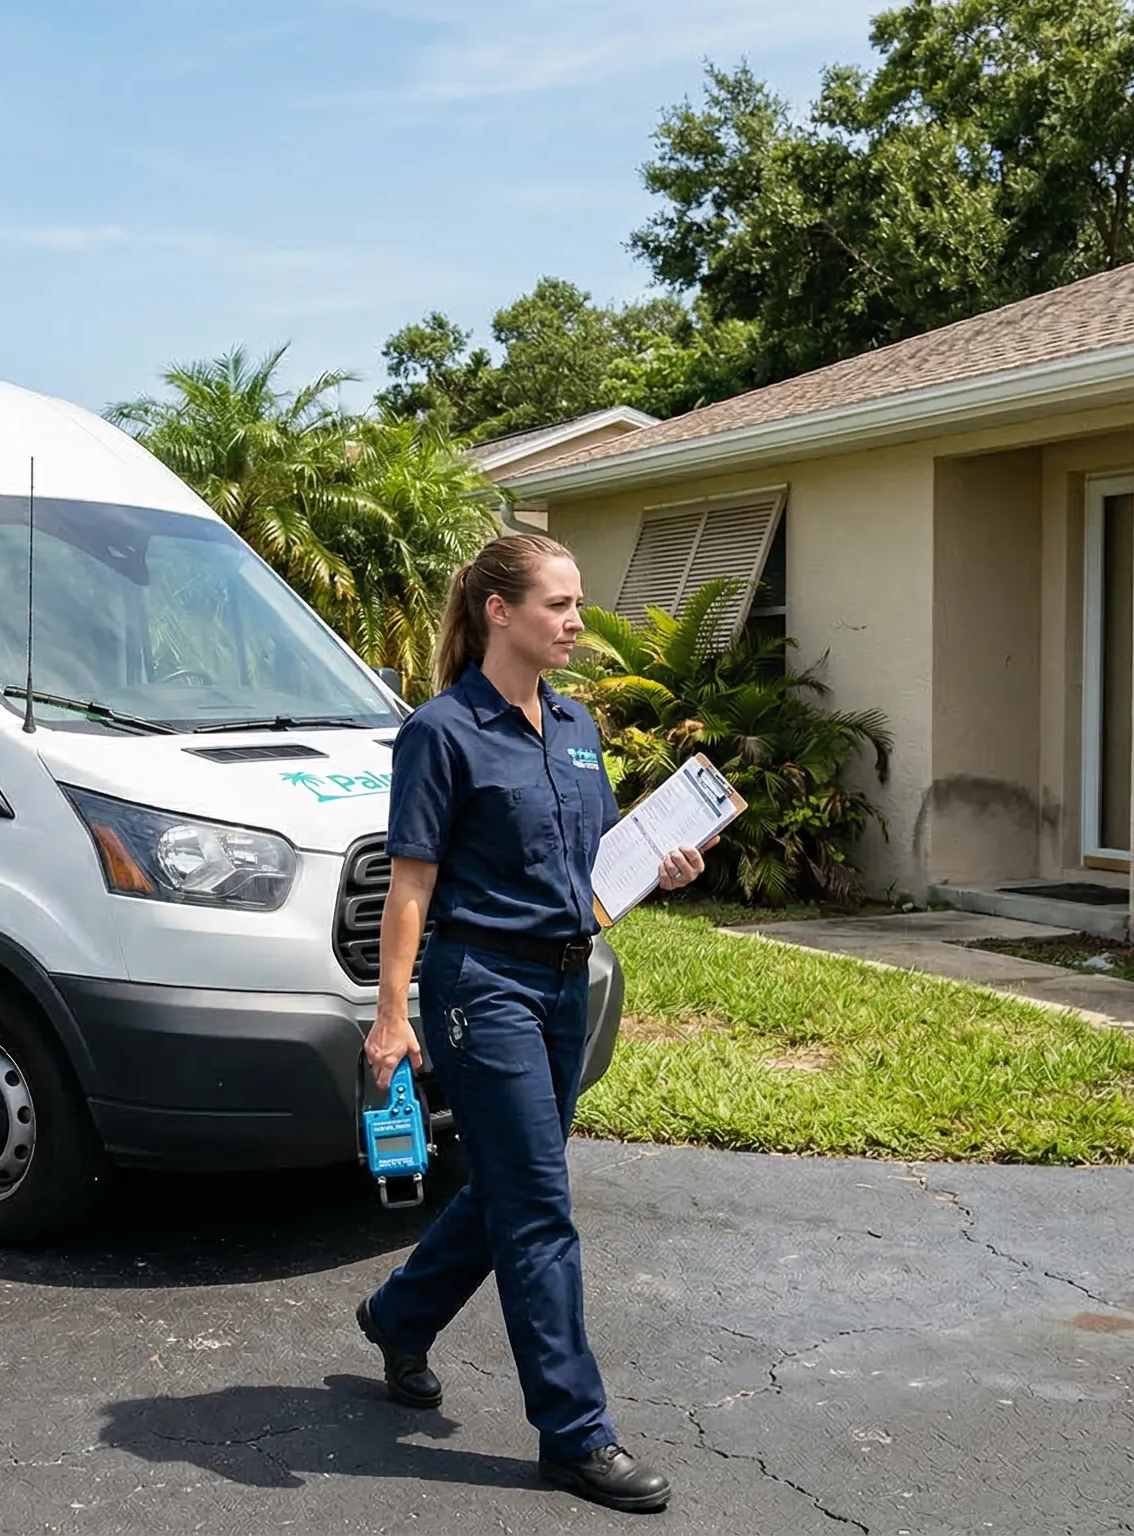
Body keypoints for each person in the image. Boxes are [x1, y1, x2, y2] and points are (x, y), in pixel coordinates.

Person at [353, 531, 703, 1514]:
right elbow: (410, 885)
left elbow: (589, 875)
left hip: (563, 983)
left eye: (577, 604)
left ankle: (398, 1313)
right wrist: (391, 1018)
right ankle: (574, 1432)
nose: (577, 623)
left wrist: (662, 867)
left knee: (513, 1184)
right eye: (558, 605)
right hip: (479, 988)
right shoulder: (442, 731)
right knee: (541, 1209)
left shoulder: (579, 726)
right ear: (499, 610)